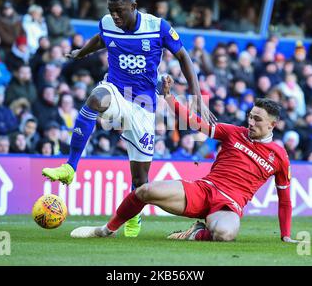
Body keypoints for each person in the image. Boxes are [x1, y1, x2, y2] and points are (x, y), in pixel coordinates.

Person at [42, 0, 215, 238]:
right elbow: (102, 39)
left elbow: (184, 57)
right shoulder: (108, 23)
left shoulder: (157, 27)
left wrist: (197, 97)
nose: (114, 16)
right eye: (111, 11)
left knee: (140, 181)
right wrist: (81, 53)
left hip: (143, 107)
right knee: (95, 98)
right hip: (116, 91)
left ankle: (135, 216)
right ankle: (70, 166)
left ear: (133, 7)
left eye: (120, 11)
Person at [68, 75, 297, 244]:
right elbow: (195, 122)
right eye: (250, 116)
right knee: (144, 191)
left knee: (225, 235)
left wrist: (286, 235)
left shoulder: (279, 157)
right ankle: (106, 230)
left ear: (272, 125)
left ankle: (197, 232)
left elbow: (284, 199)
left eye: (257, 119)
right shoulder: (232, 132)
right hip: (203, 190)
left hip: (228, 206)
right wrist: (168, 97)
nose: (251, 122)